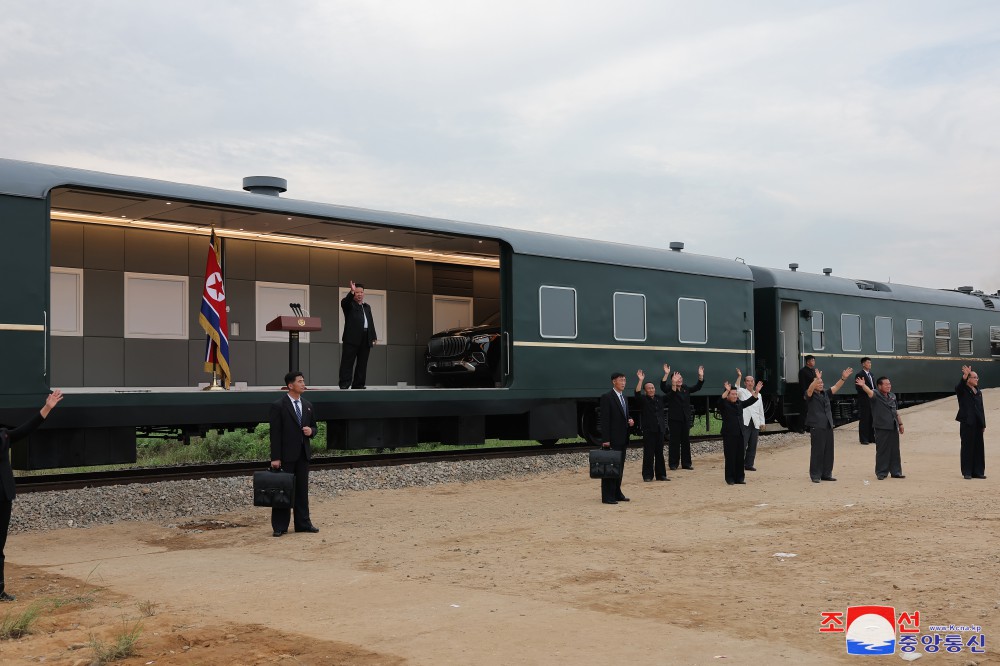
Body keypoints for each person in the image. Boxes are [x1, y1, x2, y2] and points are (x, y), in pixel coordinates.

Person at [1, 389, 64, 601]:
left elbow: (26, 429)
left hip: (3, 496)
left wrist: (47, 407)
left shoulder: (3, 435)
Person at [269, 371, 320, 536]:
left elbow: (315, 427)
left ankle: (303, 524)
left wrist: (310, 431)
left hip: (303, 455)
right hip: (285, 456)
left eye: (303, 381)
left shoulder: (308, 405)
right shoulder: (279, 405)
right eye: (300, 381)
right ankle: (279, 527)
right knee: (283, 492)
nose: (303, 384)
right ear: (290, 385)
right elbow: (275, 434)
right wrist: (275, 458)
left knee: (302, 491)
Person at [804, 367, 853, 483]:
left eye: (822, 382)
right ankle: (815, 474)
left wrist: (843, 378)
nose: (821, 384)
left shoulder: (825, 393)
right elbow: (810, 390)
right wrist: (816, 379)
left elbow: (836, 387)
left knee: (828, 451)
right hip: (817, 425)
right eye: (819, 383)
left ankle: (826, 474)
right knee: (817, 451)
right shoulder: (809, 394)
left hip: (828, 425)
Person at [856, 375, 905, 479]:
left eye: (889, 384)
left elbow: (895, 411)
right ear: (879, 386)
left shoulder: (892, 396)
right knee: (882, 450)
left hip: (893, 426)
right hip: (881, 427)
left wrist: (900, 424)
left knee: (895, 450)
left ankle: (896, 472)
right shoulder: (876, 395)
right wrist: (863, 385)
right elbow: (869, 392)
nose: (889, 386)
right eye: (886, 384)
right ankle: (881, 472)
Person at [660, 362, 704, 470]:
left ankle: (686, 464)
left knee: (685, 441)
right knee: (674, 441)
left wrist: (700, 376)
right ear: (673, 380)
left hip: (685, 418)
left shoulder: (685, 388)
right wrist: (666, 374)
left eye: (681, 378)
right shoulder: (670, 388)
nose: (680, 380)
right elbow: (662, 386)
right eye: (677, 378)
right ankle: (673, 464)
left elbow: (697, 387)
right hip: (674, 419)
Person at [599, 372, 634, 504]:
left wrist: (629, 420)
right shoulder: (607, 397)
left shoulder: (624, 397)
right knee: (610, 467)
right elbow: (605, 420)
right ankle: (607, 496)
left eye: (625, 380)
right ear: (614, 381)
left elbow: (624, 416)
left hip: (622, 438)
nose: (624, 382)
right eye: (621, 380)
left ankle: (617, 493)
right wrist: (606, 439)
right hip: (612, 439)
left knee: (619, 467)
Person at [720, 378, 762, 485]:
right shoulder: (724, 405)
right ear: (728, 395)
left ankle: (740, 478)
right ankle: (730, 478)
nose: (735, 396)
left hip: (740, 433)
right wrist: (726, 390)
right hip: (729, 434)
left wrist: (756, 392)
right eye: (732, 394)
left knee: (739, 456)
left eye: (735, 394)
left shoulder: (739, 403)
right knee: (730, 457)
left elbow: (749, 401)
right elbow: (721, 400)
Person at [339, 280, 378, 389]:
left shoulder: (367, 307)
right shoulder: (349, 305)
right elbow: (345, 302)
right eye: (357, 292)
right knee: (347, 362)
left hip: (366, 338)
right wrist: (351, 291)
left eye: (361, 292)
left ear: (364, 293)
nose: (359, 294)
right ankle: (344, 384)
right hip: (351, 338)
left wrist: (373, 336)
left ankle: (358, 384)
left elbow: (370, 322)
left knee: (362, 363)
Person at [634, 370, 668, 482]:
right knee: (648, 453)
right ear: (645, 390)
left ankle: (661, 475)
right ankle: (647, 475)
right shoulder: (643, 400)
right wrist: (640, 380)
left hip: (660, 429)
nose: (651, 390)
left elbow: (671, 394)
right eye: (649, 388)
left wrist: (667, 376)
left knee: (659, 453)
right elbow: (637, 393)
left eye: (653, 388)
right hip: (649, 430)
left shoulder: (659, 398)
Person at [955, 365, 986, 480]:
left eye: (977, 377)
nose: (977, 379)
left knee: (979, 447)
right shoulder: (963, 390)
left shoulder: (978, 392)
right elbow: (959, 386)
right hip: (967, 422)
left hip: (978, 423)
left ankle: (978, 471)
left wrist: (983, 424)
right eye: (974, 377)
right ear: (969, 379)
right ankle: (967, 472)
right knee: (967, 447)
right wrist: (964, 376)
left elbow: (981, 408)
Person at [735, 369, 766, 471]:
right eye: (748, 381)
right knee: (742, 444)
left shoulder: (759, 395)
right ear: (745, 383)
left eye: (752, 381)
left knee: (753, 445)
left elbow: (760, 409)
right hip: (745, 421)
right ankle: (739, 464)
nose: (750, 383)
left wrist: (762, 422)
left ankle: (749, 464)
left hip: (755, 422)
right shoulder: (742, 392)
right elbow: (736, 388)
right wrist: (739, 376)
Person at [855, 357, 876, 445]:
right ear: (863, 364)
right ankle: (863, 439)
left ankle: (871, 437)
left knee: (872, 418)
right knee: (864, 419)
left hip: (872, 399)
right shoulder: (859, 374)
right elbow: (858, 388)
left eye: (870, 362)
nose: (870, 364)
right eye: (868, 362)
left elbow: (873, 386)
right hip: (864, 399)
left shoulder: (871, 374)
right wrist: (868, 391)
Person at [796, 355, 818, 433]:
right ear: (808, 362)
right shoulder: (803, 371)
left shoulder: (813, 371)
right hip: (806, 394)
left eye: (814, 360)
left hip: (813, 394)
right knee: (804, 411)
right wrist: (804, 394)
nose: (813, 362)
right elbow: (802, 384)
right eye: (812, 360)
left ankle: (809, 427)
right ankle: (801, 427)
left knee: (811, 411)